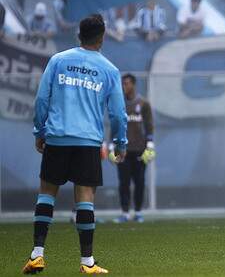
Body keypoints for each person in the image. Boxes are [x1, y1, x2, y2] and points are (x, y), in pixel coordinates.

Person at [22, 14, 127, 274]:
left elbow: (41, 100)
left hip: (57, 137)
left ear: (79, 34)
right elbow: (117, 114)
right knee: (85, 198)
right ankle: (87, 262)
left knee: (46, 194)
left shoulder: (58, 60)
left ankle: (37, 255)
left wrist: (40, 131)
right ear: (102, 37)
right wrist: (120, 142)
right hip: (88, 141)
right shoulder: (109, 70)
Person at [111, 74, 155, 223]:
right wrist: (112, 144)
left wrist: (150, 144)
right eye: (123, 84)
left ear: (134, 85)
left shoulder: (143, 103)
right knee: (123, 182)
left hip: (139, 149)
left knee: (140, 182)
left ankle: (138, 212)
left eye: (127, 83)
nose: (125, 86)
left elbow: (149, 125)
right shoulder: (119, 103)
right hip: (123, 149)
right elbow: (115, 123)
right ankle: (124, 212)